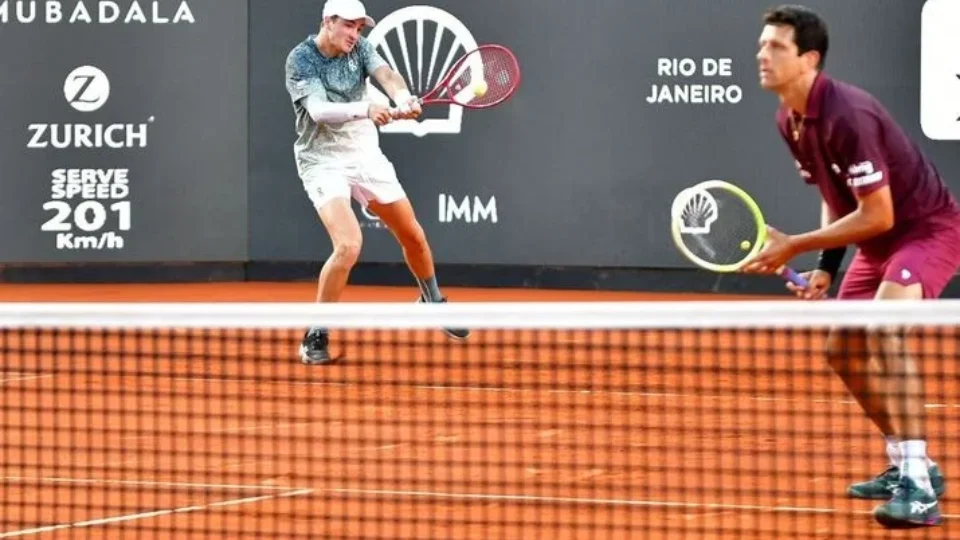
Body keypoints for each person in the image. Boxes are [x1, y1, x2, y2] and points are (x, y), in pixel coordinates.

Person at [746, 4, 960, 529]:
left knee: (885, 333)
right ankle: (910, 462)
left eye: (776, 47)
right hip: (877, 239)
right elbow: (835, 192)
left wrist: (794, 244)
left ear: (809, 59)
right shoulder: (788, 118)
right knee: (841, 348)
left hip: (925, 229)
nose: (762, 54)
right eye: (761, 44)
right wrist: (825, 263)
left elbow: (879, 211)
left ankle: (917, 486)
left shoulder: (848, 113)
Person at [284, 0, 469, 365]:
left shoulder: (361, 48)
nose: (355, 34)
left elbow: (387, 75)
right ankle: (317, 332)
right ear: (328, 22)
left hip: (365, 155)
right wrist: (365, 109)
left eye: (359, 27)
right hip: (322, 160)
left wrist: (401, 97)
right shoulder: (301, 59)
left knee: (412, 234)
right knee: (349, 245)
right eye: (348, 26)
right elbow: (319, 112)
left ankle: (432, 301)